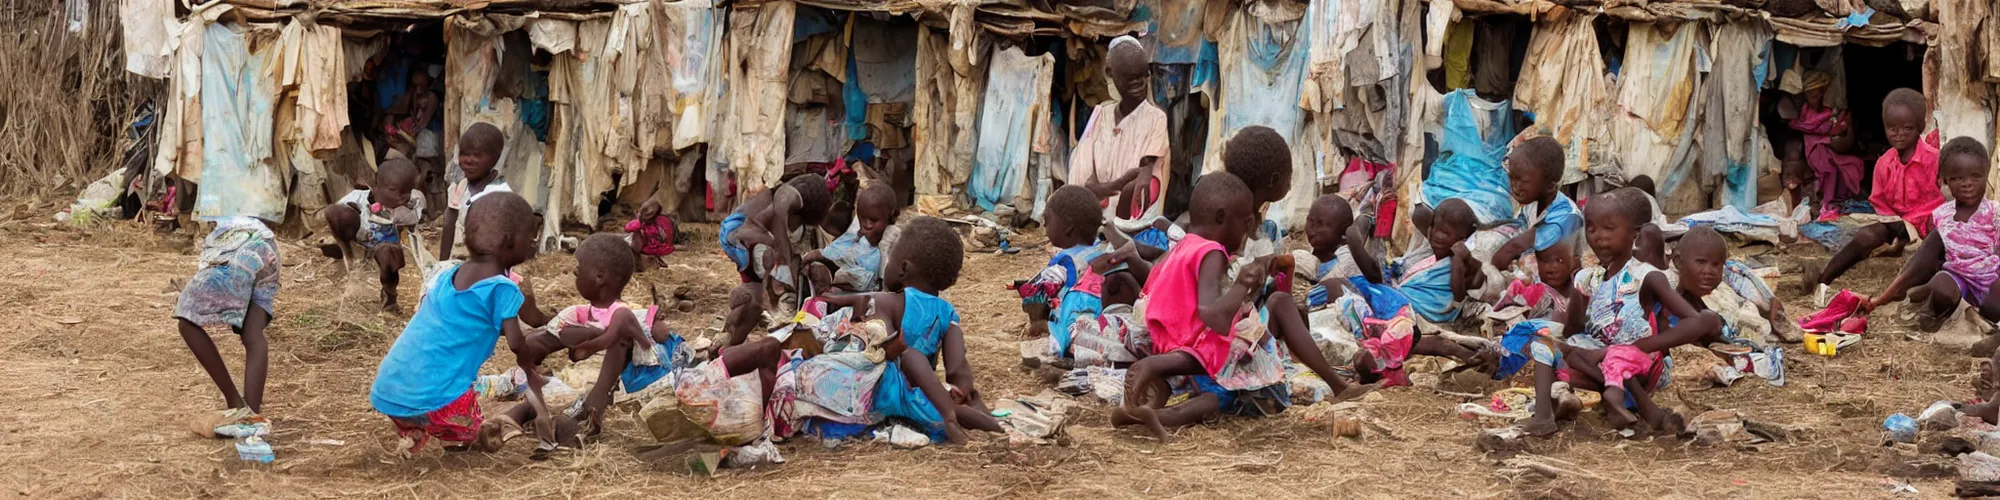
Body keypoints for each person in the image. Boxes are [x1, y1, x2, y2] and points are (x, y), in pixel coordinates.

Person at [1111, 174, 1370, 441]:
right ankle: (1339, 386)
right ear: (1222, 218)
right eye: (1246, 222)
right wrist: (1242, 284)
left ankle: (1144, 416)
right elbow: (1214, 317)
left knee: (1212, 401)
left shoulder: (1184, 245)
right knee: (1275, 316)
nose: (1249, 231)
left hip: (1173, 348)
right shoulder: (1212, 252)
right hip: (1199, 351)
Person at [1516, 188, 1722, 437]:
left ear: (1633, 234)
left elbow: (1698, 321)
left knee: (1601, 353)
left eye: (1609, 228)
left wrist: (1640, 346)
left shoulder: (1646, 276)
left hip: (1643, 366)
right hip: (1602, 367)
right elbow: (1574, 330)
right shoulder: (1587, 278)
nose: (1598, 237)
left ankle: (1641, 404)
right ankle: (1543, 418)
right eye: (1591, 228)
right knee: (1545, 343)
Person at [369, 192, 541, 457]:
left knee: (427, 402)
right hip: (438, 401)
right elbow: (517, 343)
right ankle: (456, 439)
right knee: (470, 428)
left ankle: (412, 429)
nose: (533, 243)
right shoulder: (502, 288)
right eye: (531, 237)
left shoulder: (448, 275)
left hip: (389, 391)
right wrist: (531, 366)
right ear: (509, 241)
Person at [819, 216, 1003, 444]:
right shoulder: (947, 314)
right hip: (925, 394)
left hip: (886, 390)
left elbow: (880, 352)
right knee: (948, 401)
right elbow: (957, 367)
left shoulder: (887, 301)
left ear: (903, 268)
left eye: (890, 259)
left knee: (906, 359)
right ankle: (990, 423)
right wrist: (962, 390)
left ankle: (950, 415)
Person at [493, 234, 667, 453]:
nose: (574, 273)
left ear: (599, 276)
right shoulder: (576, 313)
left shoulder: (624, 313)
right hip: (570, 382)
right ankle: (503, 424)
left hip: (602, 389)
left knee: (569, 414)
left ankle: (566, 426)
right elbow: (540, 344)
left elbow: (647, 339)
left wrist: (589, 337)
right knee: (535, 400)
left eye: (579, 269)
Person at [1808, 89, 1945, 306]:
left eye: (1907, 128)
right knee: (1867, 236)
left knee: (1933, 248)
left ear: (1920, 127)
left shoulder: (1935, 161)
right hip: (1899, 224)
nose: (1898, 134)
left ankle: (1897, 293)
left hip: (1932, 225)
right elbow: (1881, 204)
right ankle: (1824, 279)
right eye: (1892, 128)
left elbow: (1947, 201)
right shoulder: (1884, 164)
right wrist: (1896, 231)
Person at [1861, 137, 2000, 335]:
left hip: (1990, 279)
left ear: (1986, 175)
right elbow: (1921, 261)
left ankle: (1940, 299)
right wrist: (1880, 300)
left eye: (1975, 176)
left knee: (1995, 307)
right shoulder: (1942, 216)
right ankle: (1932, 302)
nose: (1967, 184)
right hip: (1958, 280)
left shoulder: (1995, 213)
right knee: (1941, 285)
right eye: (1957, 178)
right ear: (1944, 179)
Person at [177, 216, 281, 439]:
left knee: (186, 319)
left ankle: (235, 402)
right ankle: (251, 415)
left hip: (232, 247)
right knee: (253, 333)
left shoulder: (216, 192)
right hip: (267, 244)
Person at [1067, 36, 1171, 241]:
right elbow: (1081, 181)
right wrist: (1117, 184)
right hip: (1095, 225)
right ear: (1110, 74)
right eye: (1130, 79)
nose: (1138, 85)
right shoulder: (1099, 115)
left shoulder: (1156, 118)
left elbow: (1146, 176)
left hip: (1135, 231)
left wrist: (1104, 189)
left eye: (1142, 77)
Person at [719, 174, 834, 345]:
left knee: (755, 297)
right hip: (736, 234)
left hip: (744, 238)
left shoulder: (784, 205)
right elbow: (773, 232)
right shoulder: (784, 200)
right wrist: (789, 262)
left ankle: (727, 338)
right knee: (766, 284)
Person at [1348, 198, 1489, 329]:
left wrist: (1459, 260)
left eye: (1445, 232)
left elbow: (1459, 295)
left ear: (1463, 238)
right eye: (1435, 227)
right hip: (1402, 300)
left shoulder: (1456, 262)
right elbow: (1419, 214)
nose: (1437, 236)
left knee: (1359, 285)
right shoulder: (1431, 256)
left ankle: (1353, 238)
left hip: (1414, 309)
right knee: (1357, 284)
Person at [321, 159, 426, 310]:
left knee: (388, 252)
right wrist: (352, 212)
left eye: (407, 192)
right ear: (378, 186)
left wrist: (404, 206)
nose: (403, 196)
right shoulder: (358, 197)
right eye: (395, 190)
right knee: (334, 211)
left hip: (383, 248)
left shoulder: (406, 208)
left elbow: (414, 216)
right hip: (357, 242)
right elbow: (334, 214)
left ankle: (389, 295)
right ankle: (346, 254)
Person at [1018, 185, 1108, 357]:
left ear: (1067, 226)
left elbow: (1038, 297)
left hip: (1073, 320)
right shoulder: (1103, 249)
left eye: (1047, 219)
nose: (1044, 224)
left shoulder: (1064, 260)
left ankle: (1054, 333)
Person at [1488, 136, 1582, 271]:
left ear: (1549, 186)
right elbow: (1518, 229)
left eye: (1523, 181)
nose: (1515, 187)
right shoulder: (1532, 203)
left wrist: (1494, 267)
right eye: (1512, 178)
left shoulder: (1565, 217)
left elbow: (1520, 248)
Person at [1789, 71, 1867, 220]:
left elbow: (1831, 129)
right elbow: (1809, 126)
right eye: (1813, 95)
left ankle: (1834, 202)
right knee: (1829, 169)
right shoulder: (1807, 110)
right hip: (1815, 149)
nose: (1817, 98)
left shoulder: (1825, 110)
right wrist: (1829, 117)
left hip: (1826, 147)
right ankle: (1826, 204)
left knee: (1850, 164)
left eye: (1819, 94)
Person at [436, 123, 514, 262]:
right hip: (458, 263)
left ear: (494, 158)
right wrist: (442, 266)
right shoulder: (458, 188)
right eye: (464, 154)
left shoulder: (500, 193)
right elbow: (449, 224)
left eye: (477, 155)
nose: (468, 160)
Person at [803, 183, 900, 293]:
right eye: (862, 218)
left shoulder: (892, 236)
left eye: (873, 220)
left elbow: (885, 280)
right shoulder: (860, 230)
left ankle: (832, 279)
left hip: (871, 285)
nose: (867, 225)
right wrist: (821, 253)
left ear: (892, 216)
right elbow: (844, 244)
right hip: (849, 271)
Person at [624, 198, 677, 272]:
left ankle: (636, 261)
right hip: (660, 248)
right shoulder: (661, 223)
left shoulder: (642, 227)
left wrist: (638, 219)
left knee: (634, 236)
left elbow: (628, 228)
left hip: (646, 249)